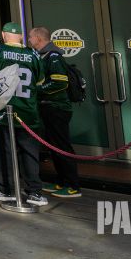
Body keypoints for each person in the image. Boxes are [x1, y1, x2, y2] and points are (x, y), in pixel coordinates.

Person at [0, 22, 48, 207]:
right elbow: (40, 81)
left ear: (3, 35)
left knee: (5, 151)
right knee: (30, 152)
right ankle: (35, 191)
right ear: (21, 37)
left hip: (4, 110)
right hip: (28, 111)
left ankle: (7, 190)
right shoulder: (33, 54)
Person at [30, 26, 80, 198]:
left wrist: (37, 89)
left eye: (31, 37)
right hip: (49, 107)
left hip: (57, 108)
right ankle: (62, 181)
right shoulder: (44, 55)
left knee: (62, 146)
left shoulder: (53, 56)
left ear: (38, 38)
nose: (29, 40)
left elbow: (60, 82)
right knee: (54, 146)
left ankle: (73, 185)